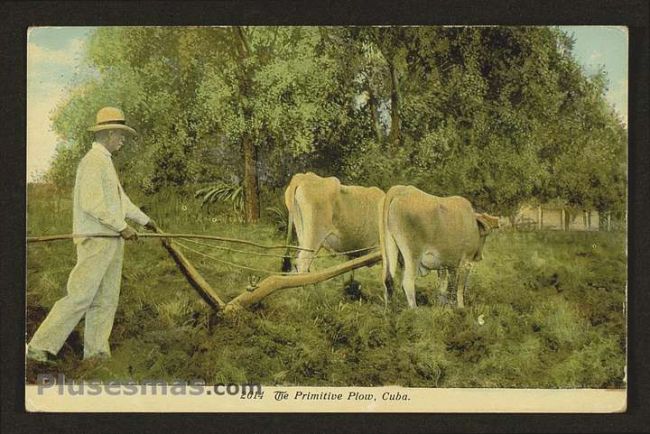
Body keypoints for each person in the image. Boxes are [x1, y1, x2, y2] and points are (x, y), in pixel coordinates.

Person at [27, 107, 158, 363]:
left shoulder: (105, 161)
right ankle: (38, 347)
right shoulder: (92, 161)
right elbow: (92, 204)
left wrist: (145, 221)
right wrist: (122, 227)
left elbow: (121, 202)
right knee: (81, 295)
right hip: (96, 239)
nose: (123, 140)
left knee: (107, 298)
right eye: (120, 135)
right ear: (109, 133)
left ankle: (96, 353)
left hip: (111, 241)